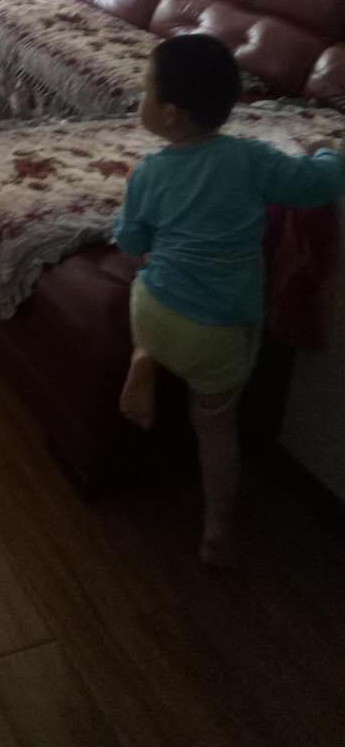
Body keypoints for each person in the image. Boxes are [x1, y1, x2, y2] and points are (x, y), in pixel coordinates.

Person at [113, 33, 344, 568]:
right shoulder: (251, 160)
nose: (138, 98)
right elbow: (315, 185)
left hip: (153, 310)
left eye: (144, 90)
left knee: (148, 275)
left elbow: (130, 240)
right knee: (216, 427)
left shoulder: (147, 172)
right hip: (218, 330)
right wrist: (327, 152)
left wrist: (139, 220)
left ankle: (145, 355)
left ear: (170, 114)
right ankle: (217, 529)